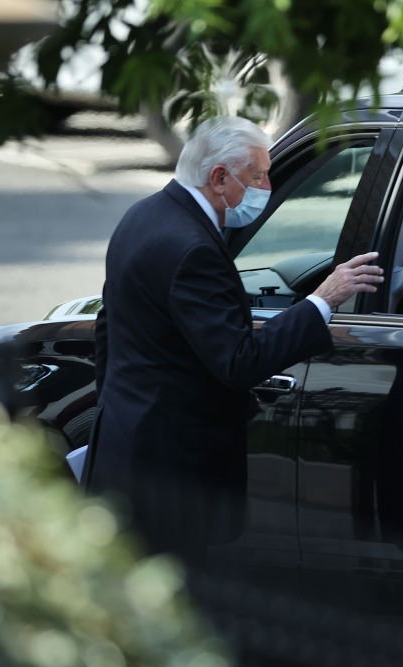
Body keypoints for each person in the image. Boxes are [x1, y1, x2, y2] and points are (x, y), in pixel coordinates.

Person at [85, 116, 383, 561]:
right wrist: (321, 300)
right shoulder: (194, 250)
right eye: (258, 176)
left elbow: (109, 329)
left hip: (127, 444)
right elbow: (240, 359)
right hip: (175, 473)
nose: (266, 185)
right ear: (219, 178)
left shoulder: (142, 216)